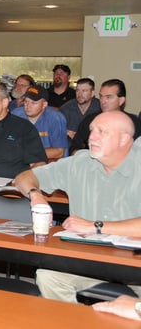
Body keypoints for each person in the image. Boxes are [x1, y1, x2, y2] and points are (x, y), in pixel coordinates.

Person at [14, 110, 141, 303]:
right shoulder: (80, 163)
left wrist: (95, 226)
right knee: (49, 275)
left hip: (136, 264)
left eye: (102, 131)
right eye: (91, 130)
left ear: (124, 139)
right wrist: (35, 194)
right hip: (89, 259)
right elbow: (24, 177)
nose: (92, 137)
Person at [71, 79, 141, 154]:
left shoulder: (133, 123)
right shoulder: (90, 120)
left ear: (121, 100)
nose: (103, 101)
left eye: (109, 97)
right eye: (101, 96)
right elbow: (74, 148)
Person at [12, 85, 68, 159]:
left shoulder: (55, 118)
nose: (28, 106)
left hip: (49, 163)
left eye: (33, 103)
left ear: (44, 105)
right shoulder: (15, 115)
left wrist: (27, 153)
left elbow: (59, 152)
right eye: (26, 102)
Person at [59, 77, 101, 143]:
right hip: (71, 148)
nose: (79, 94)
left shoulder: (100, 108)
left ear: (92, 93)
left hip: (94, 145)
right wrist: (65, 132)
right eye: (77, 90)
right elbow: (54, 127)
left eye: (84, 91)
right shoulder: (67, 108)